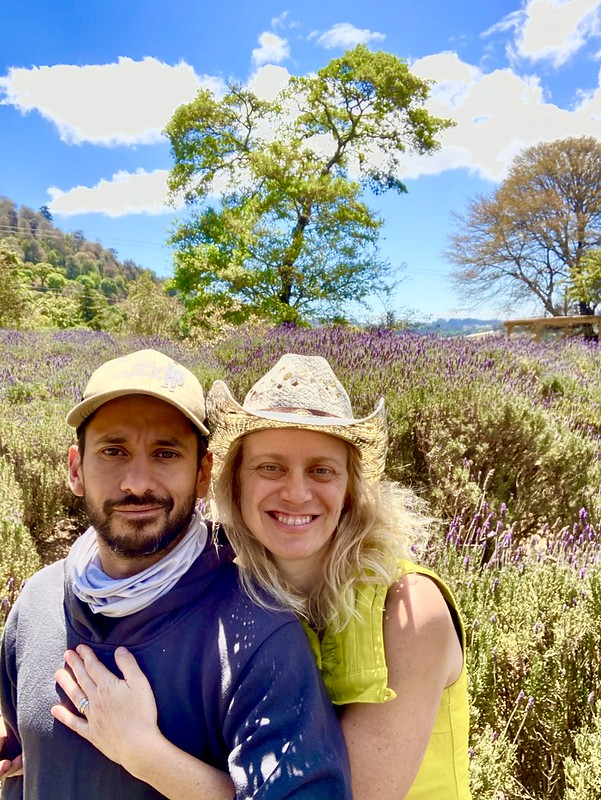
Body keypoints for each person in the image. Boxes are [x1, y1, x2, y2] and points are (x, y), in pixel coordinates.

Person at [46, 353, 472, 799]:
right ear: (235, 483)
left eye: (321, 470)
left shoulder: (409, 612)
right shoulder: (227, 581)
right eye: (271, 467)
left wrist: (144, 754)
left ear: (349, 488)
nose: (296, 492)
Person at [0, 349, 352, 800]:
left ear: (203, 473)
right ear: (75, 468)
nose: (137, 482)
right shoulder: (39, 600)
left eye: (166, 453)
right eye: (113, 451)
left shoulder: (258, 635)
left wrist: (148, 757)